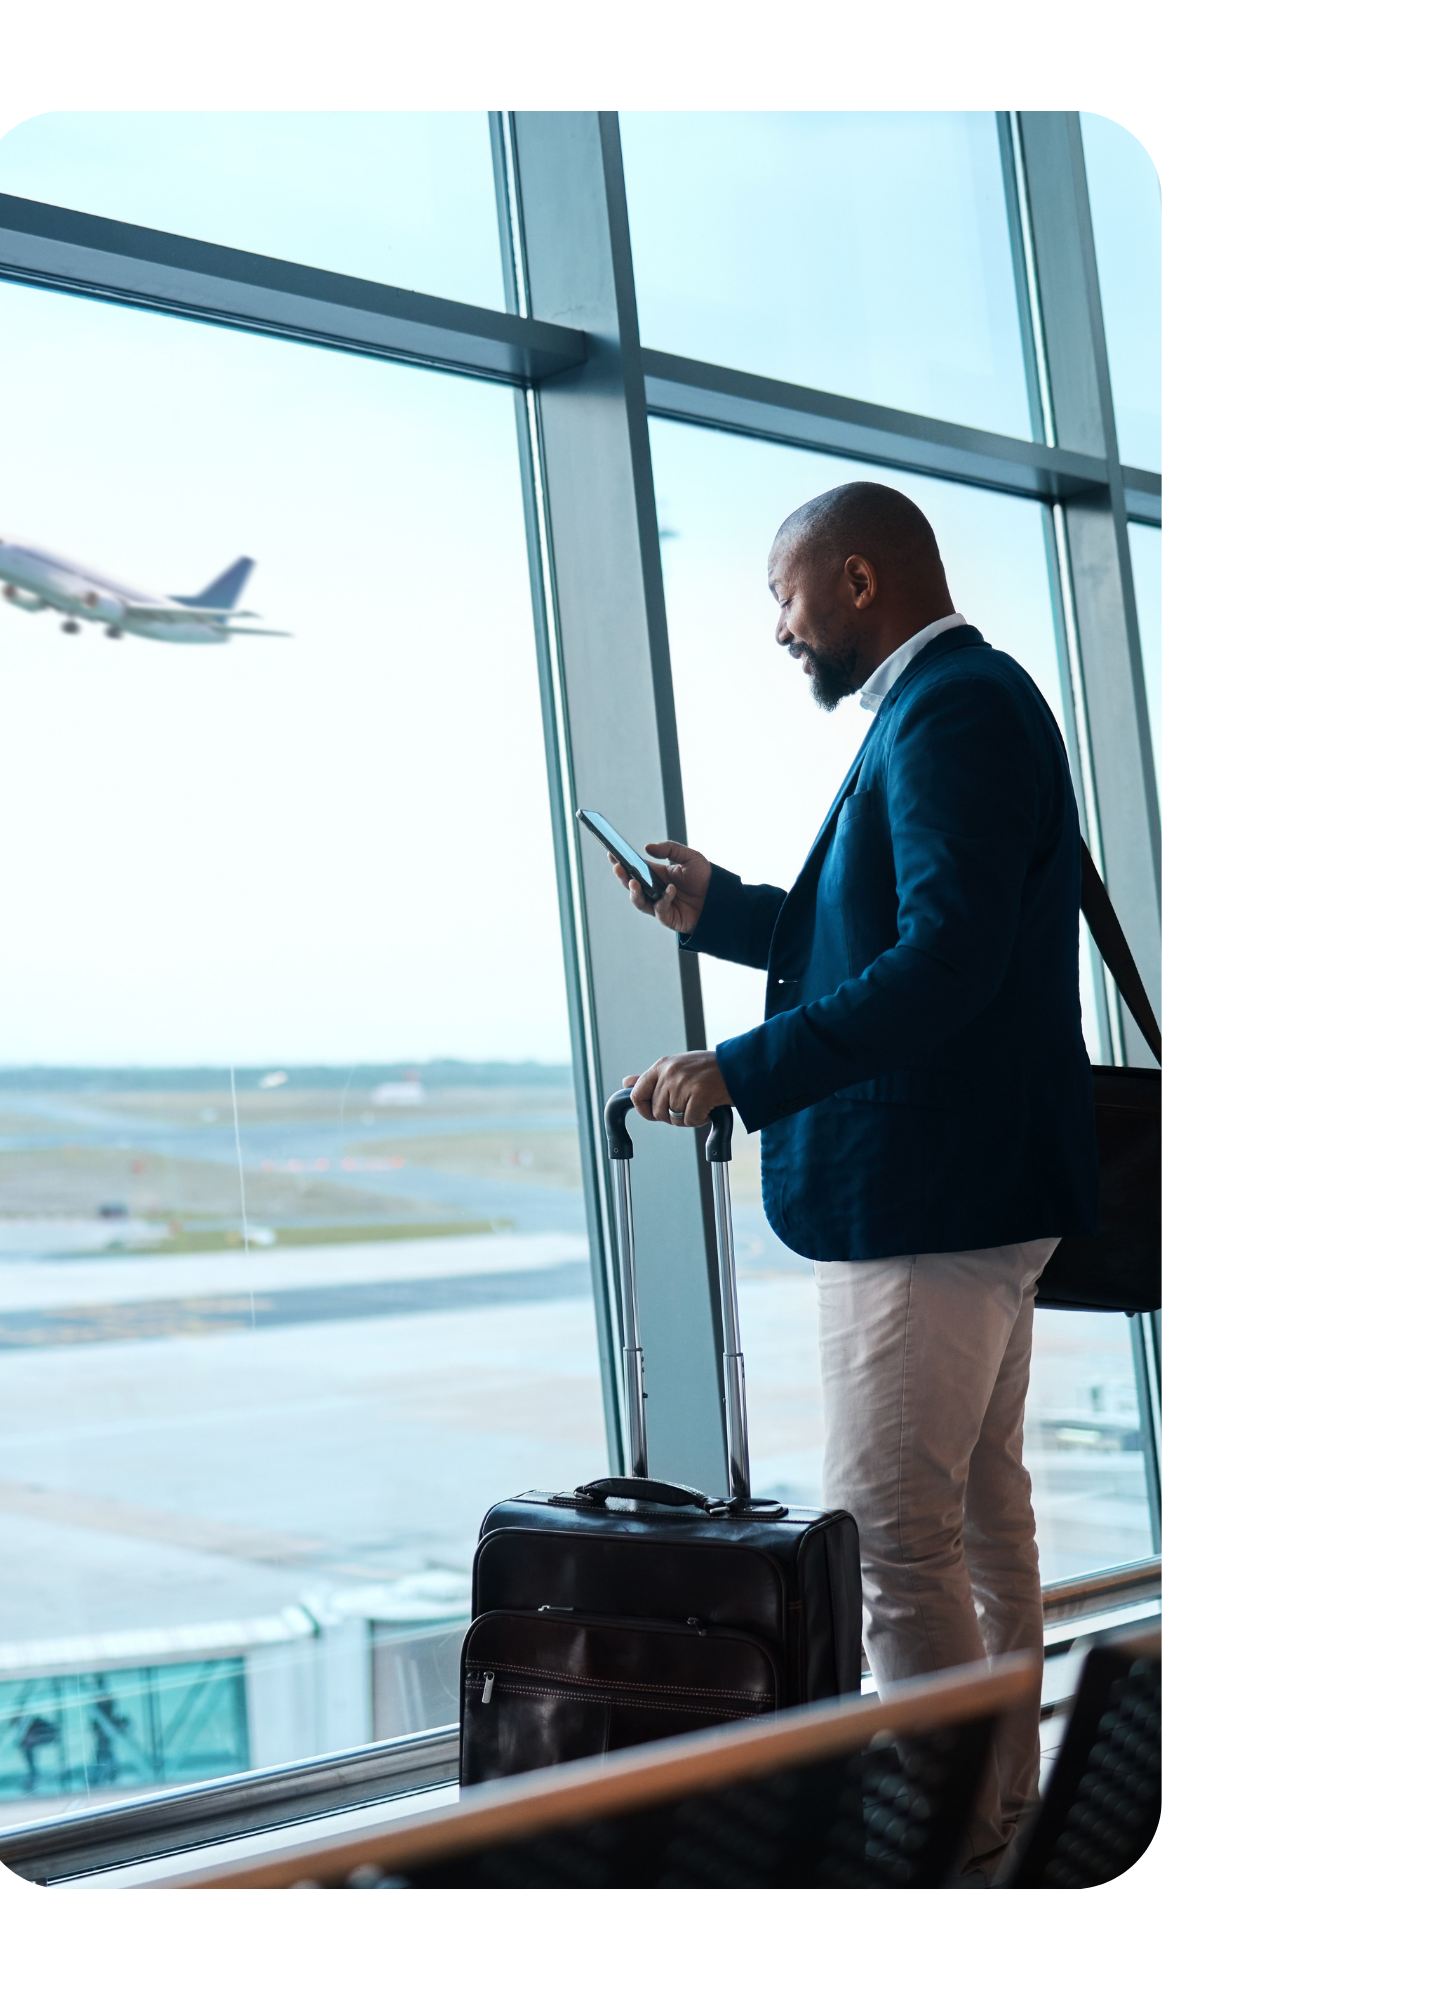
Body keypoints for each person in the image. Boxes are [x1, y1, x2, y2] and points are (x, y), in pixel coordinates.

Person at [611, 481, 1100, 1882]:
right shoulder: (961, 703)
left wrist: (741, 1069)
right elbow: (883, 932)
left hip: (929, 1194)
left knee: (893, 1533)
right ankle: (995, 1814)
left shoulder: (948, 710)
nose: (777, 626)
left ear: (861, 583)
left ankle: (936, 1842)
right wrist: (727, 913)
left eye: (785, 593)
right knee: (979, 1516)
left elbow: (942, 965)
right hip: (978, 1187)